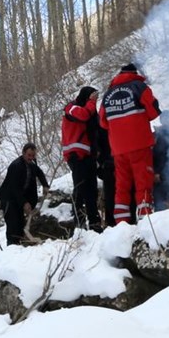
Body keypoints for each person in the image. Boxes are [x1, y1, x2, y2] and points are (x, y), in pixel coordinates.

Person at [100, 63, 161, 223]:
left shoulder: (107, 94)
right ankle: (145, 219)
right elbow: (153, 111)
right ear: (134, 73)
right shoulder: (139, 87)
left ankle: (121, 224)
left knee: (122, 186)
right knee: (143, 183)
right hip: (139, 143)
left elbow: (103, 122)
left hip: (118, 149)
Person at [61, 86, 102, 231]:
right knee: (80, 187)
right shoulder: (71, 107)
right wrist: (91, 102)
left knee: (92, 189)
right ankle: (79, 220)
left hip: (88, 156)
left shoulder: (91, 111)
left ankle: (94, 221)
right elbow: (82, 115)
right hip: (75, 155)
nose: (94, 100)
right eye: (92, 96)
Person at [0, 143, 50, 245]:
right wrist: (24, 203)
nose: (31, 158)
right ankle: (12, 246)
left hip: (18, 199)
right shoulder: (15, 166)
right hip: (8, 198)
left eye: (33, 156)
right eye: (29, 155)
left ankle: (19, 245)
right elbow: (14, 188)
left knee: (20, 223)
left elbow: (40, 173)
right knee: (13, 224)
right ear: (23, 153)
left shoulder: (32, 165)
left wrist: (45, 185)